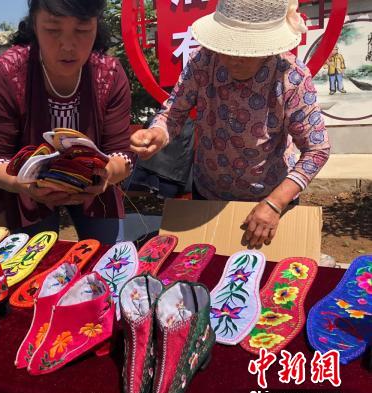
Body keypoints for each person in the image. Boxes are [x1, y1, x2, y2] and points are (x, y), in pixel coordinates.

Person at [131, 0, 330, 248]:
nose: (234, 59)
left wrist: (275, 202)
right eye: (227, 48)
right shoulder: (203, 61)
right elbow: (174, 113)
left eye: (246, 52)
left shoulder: (291, 76)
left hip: (271, 198)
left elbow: (317, 149)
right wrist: (158, 132)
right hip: (208, 193)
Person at [0, 0, 133, 244]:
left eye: (82, 30)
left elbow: (122, 154)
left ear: (97, 26)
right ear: (34, 25)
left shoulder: (109, 74)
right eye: (53, 30)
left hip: (96, 185)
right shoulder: (8, 73)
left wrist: (108, 173)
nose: (68, 45)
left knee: (112, 259)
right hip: (24, 189)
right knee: (28, 264)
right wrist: (22, 184)